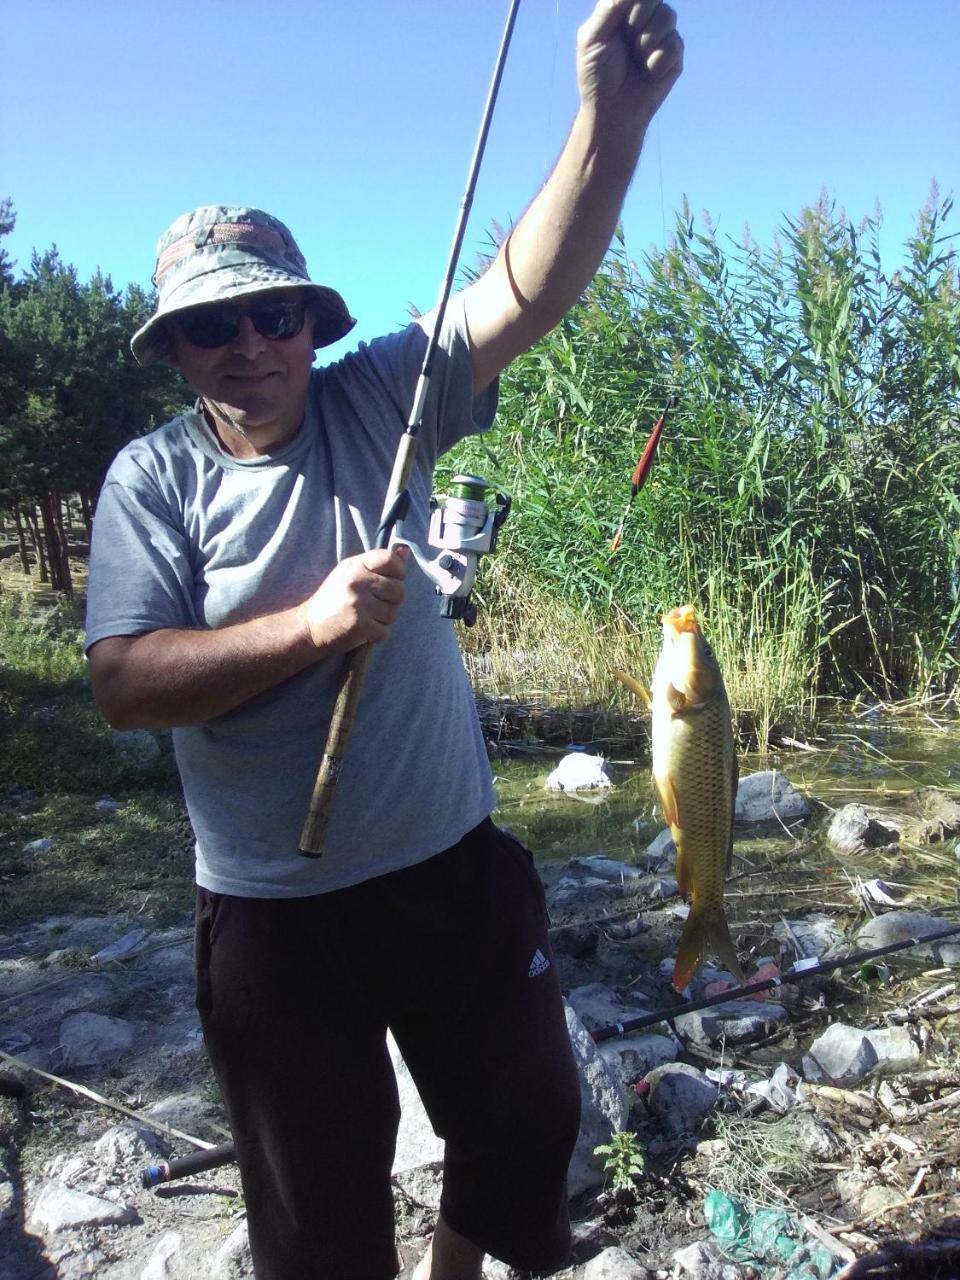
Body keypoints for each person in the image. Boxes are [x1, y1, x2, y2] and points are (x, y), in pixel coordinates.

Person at [85, 3, 682, 1277]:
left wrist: (610, 125)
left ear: (313, 320)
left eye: (275, 315)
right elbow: (126, 682)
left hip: (449, 864)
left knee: (526, 1120)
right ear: (175, 350)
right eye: (213, 326)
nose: (250, 344)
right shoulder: (151, 481)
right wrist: (309, 625)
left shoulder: (384, 398)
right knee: (315, 1217)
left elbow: (524, 287)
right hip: (270, 912)